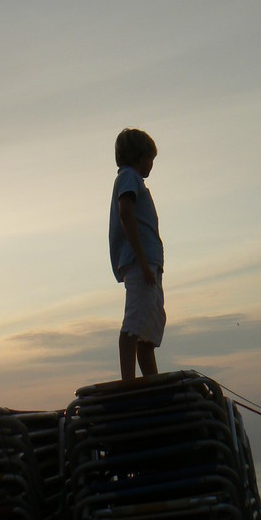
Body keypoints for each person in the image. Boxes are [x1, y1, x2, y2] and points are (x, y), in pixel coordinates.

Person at [109, 128, 166, 381]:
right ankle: (128, 383)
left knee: (149, 329)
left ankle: (151, 381)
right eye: (149, 158)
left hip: (149, 265)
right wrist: (142, 263)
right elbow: (126, 213)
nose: (151, 165)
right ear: (137, 156)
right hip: (139, 263)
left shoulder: (135, 181)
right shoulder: (129, 177)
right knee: (134, 323)